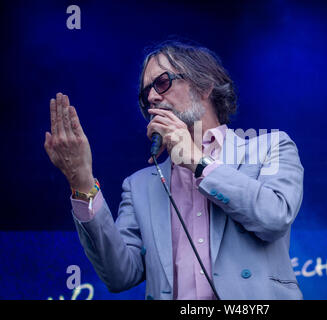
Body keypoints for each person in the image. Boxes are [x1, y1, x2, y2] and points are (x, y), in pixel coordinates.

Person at [44, 40, 304, 300]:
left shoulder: (271, 147)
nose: (152, 97)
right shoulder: (139, 185)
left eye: (162, 82)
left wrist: (196, 161)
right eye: (145, 93)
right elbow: (119, 275)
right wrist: (81, 182)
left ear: (204, 85)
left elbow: (275, 218)